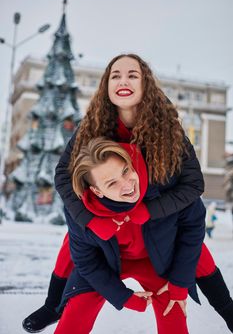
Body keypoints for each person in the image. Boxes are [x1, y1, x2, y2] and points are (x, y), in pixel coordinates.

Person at [22, 54, 233, 333]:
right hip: (110, 230)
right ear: (106, 86)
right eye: (116, 75)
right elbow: (64, 175)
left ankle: (228, 309)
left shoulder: (168, 130)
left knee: (192, 242)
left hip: (159, 221)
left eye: (132, 75)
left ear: (146, 84)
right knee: (76, 237)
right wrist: (91, 219)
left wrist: (149, 210)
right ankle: (52, 306)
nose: (123, 80)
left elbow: (194, 185)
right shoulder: (93, 127)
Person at [55, 137, 206, 334]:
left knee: (174, 310)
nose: (127, 185)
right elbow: (85, 261)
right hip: (105, 264)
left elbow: (192, 231)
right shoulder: (80, 212)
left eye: (125, 171)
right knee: (74, 317)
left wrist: (179, 282)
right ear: (96, 191)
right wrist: (122, 297)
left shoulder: (163, 185)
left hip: (156, 261)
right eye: (112, 183)